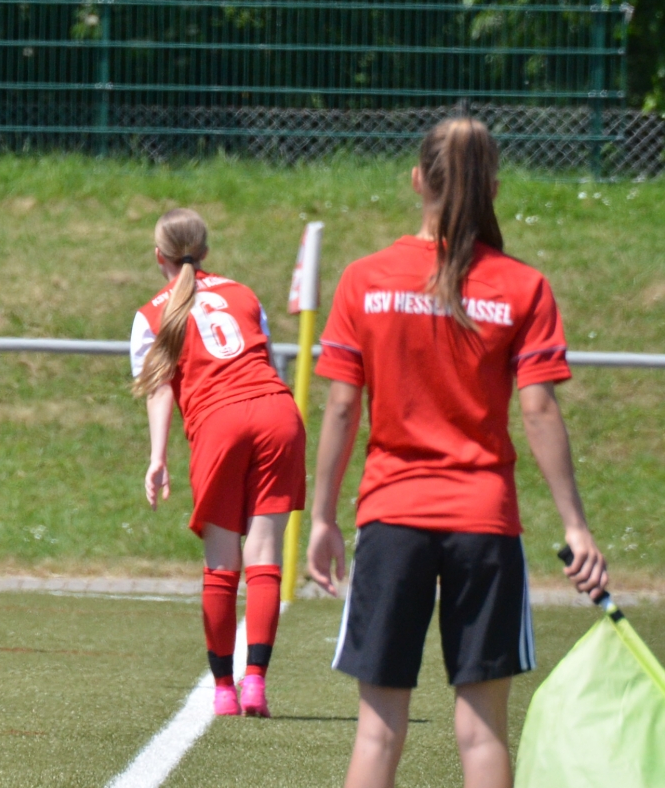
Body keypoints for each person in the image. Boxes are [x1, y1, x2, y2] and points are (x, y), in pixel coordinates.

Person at [306, 116, 609, 788]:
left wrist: (322, 517)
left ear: (418, 180)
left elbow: (342, 407)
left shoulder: (364, 278)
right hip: (484, 523)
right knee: (481, 733)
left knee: (378, 731)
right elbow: (538, 408)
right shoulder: (522, 286)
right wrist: (576, 525)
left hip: (391, 517)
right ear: (493, 187)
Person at [131, 207, 305, 718]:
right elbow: (262, 358)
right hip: (278, 412)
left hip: (220, 422)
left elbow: (159, 388)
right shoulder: (243, 293)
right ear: (205, 251)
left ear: (158, 255)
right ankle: (256, 684)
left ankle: (225, 690)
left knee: (222, 564)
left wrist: (157, 456)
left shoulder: (150, 314)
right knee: (265, 556)